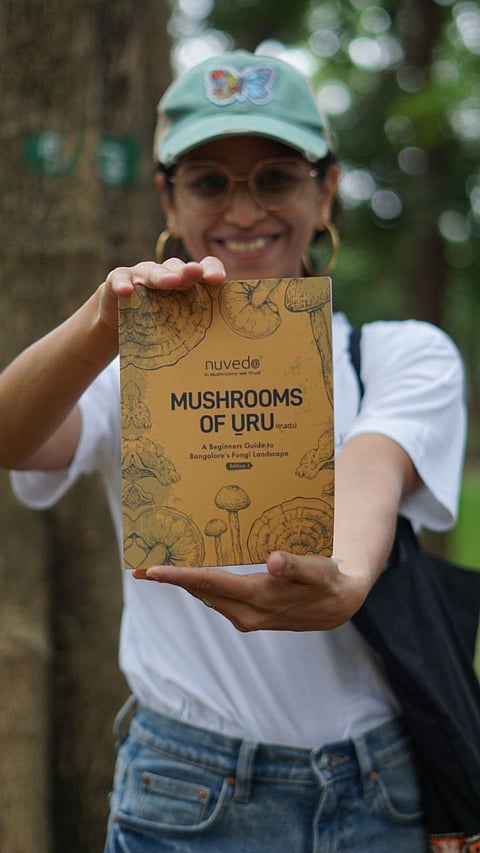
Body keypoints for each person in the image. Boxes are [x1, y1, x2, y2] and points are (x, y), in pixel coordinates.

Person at [0, 50, 466, 852]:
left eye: (277, 177)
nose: (244, 211)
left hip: (378, 794)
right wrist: (102, 326)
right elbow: (14, 438)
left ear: (325, 190)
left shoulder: (399, 354)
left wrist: (346, 577)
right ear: (169, 198)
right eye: (210, 179)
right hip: (185, 788)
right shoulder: (128, 373)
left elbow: (368, 475)